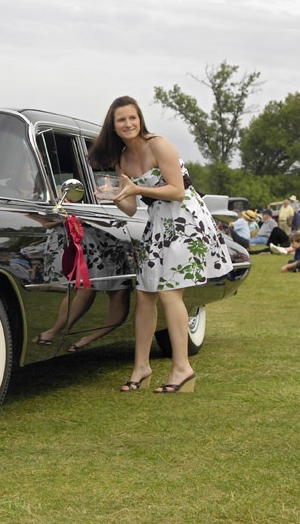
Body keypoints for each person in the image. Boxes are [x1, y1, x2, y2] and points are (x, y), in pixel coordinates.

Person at [89, 96, 230, 394]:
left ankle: (183, 369)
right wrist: (113, 195)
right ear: (113, 126)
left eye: (132, 118)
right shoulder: (121, 159)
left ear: (140, 120)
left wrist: (137, 187)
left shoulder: (159, 144)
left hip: (185, 218)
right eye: (121, 120)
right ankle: (141, 367)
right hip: (158, 221)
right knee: (145, 294)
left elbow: (177, 190)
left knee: (169, 292)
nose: (128, 124)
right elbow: (129, 207)